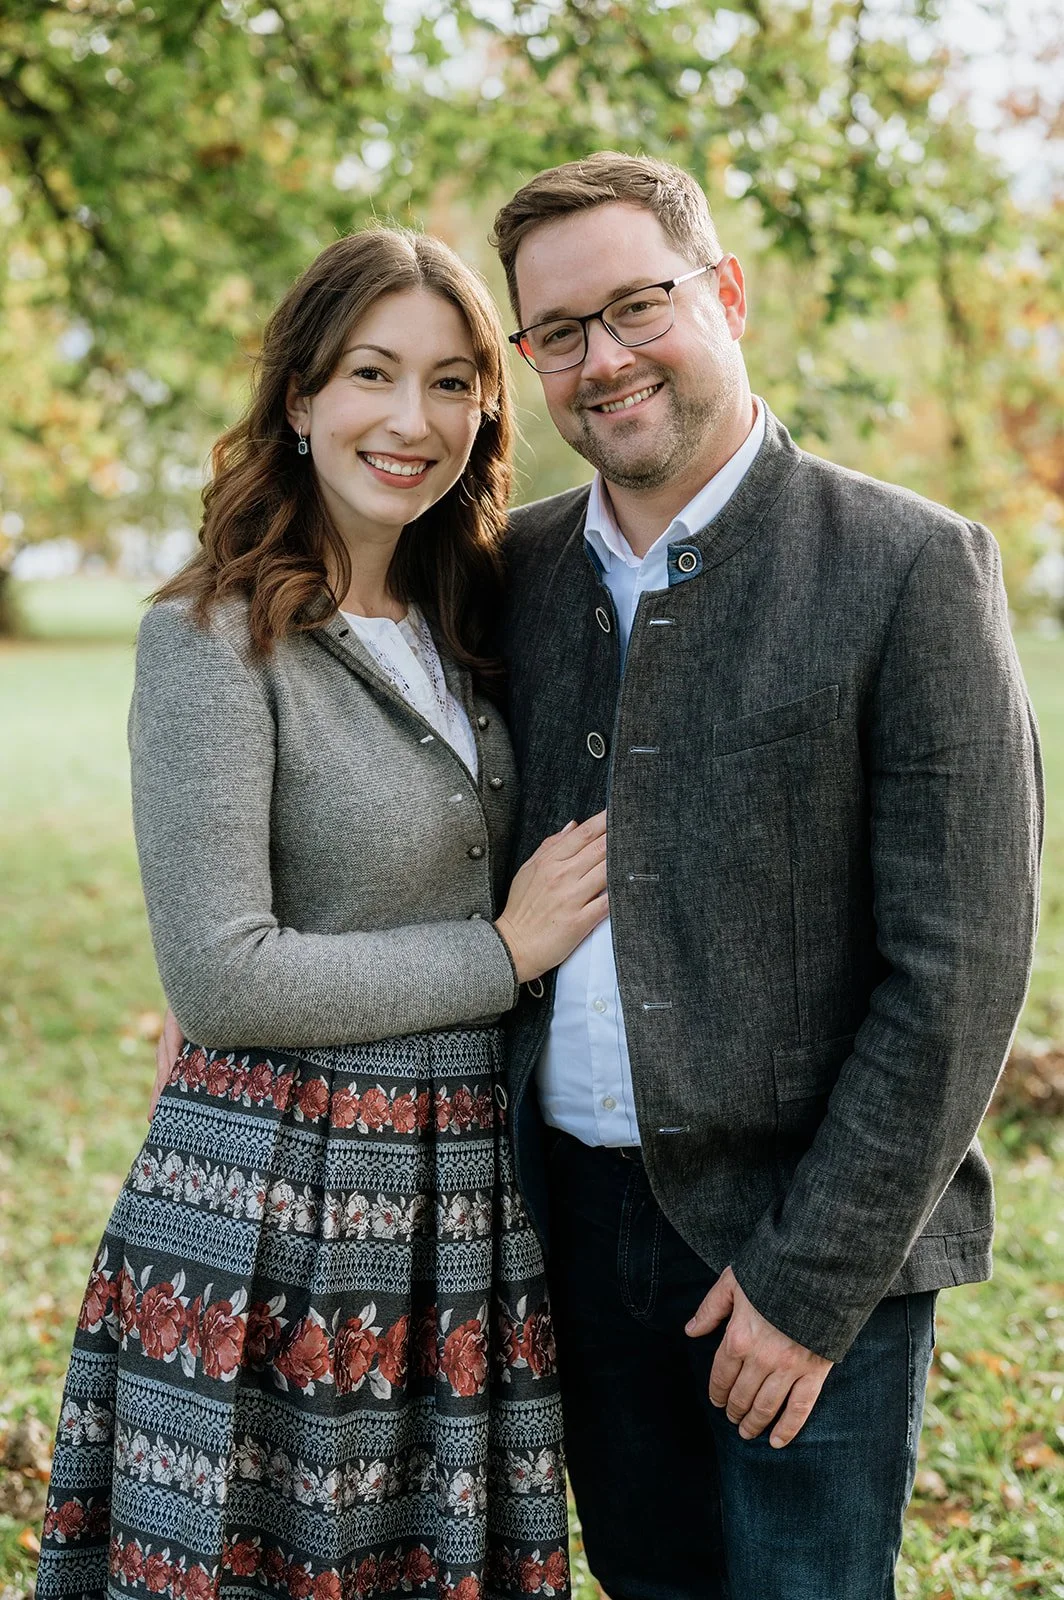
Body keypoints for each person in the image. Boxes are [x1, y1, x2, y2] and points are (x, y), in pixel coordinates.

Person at [487, 153, 1043, 1599]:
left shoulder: (911, 568)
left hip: (812, 1248)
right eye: (558, 331)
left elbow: (962, 969)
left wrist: (807, 1286)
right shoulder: (511, 574)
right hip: (574, 1235)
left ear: (724, 292)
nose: (603, 360)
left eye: (637, 305)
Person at [36, 227, 610, 1600]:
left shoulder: (469, 615)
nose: (413, 421)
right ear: (298, 397)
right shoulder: (212, 638)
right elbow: (223, 976)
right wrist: (503, 953)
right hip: (276, 1204)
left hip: (464, 1195)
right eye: (371, 373)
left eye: (454, 382)